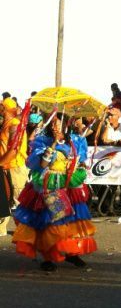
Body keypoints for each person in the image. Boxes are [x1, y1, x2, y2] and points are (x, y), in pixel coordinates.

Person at [11, 114, 96, 271]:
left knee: (72, 221)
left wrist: (78, 165)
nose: (54, 127)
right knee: (52, 222)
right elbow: (41, 164)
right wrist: (53, 146)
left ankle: (72, 253)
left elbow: (83, 162)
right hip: (50, 186)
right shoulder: (42, 141)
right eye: (52, 124)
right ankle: (48, 257)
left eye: (58, 124)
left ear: (66, 124)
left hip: (69, 186)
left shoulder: (76, 141)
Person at [0, 98, 28, 237]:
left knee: (19, 201)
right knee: (4, 199)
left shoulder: (14, 125)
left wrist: (0, 163)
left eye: (0, 106)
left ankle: (28, 231)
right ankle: (2, 230)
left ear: (4, 109)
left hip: (15, 167)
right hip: (6, 167)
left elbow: (14, 150)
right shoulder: (5, 124)